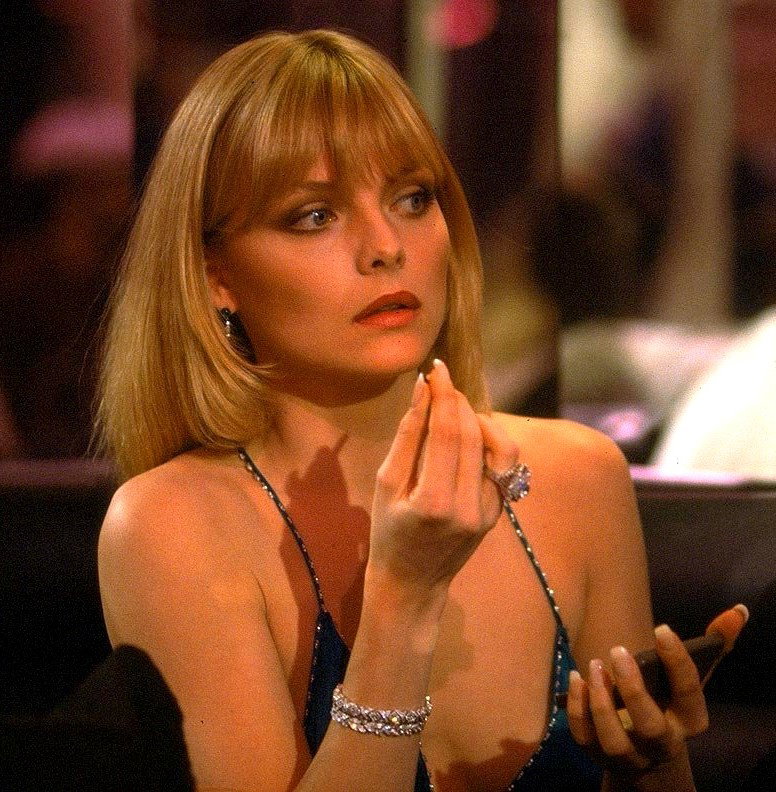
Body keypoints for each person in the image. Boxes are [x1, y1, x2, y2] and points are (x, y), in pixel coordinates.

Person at [95, 29, 716, 792]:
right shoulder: (169, 526)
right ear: (214, 276)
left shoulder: (578, 476)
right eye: (314, 216)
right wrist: (404, 599)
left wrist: (654, 763)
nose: (386, 245)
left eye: (412, 198)